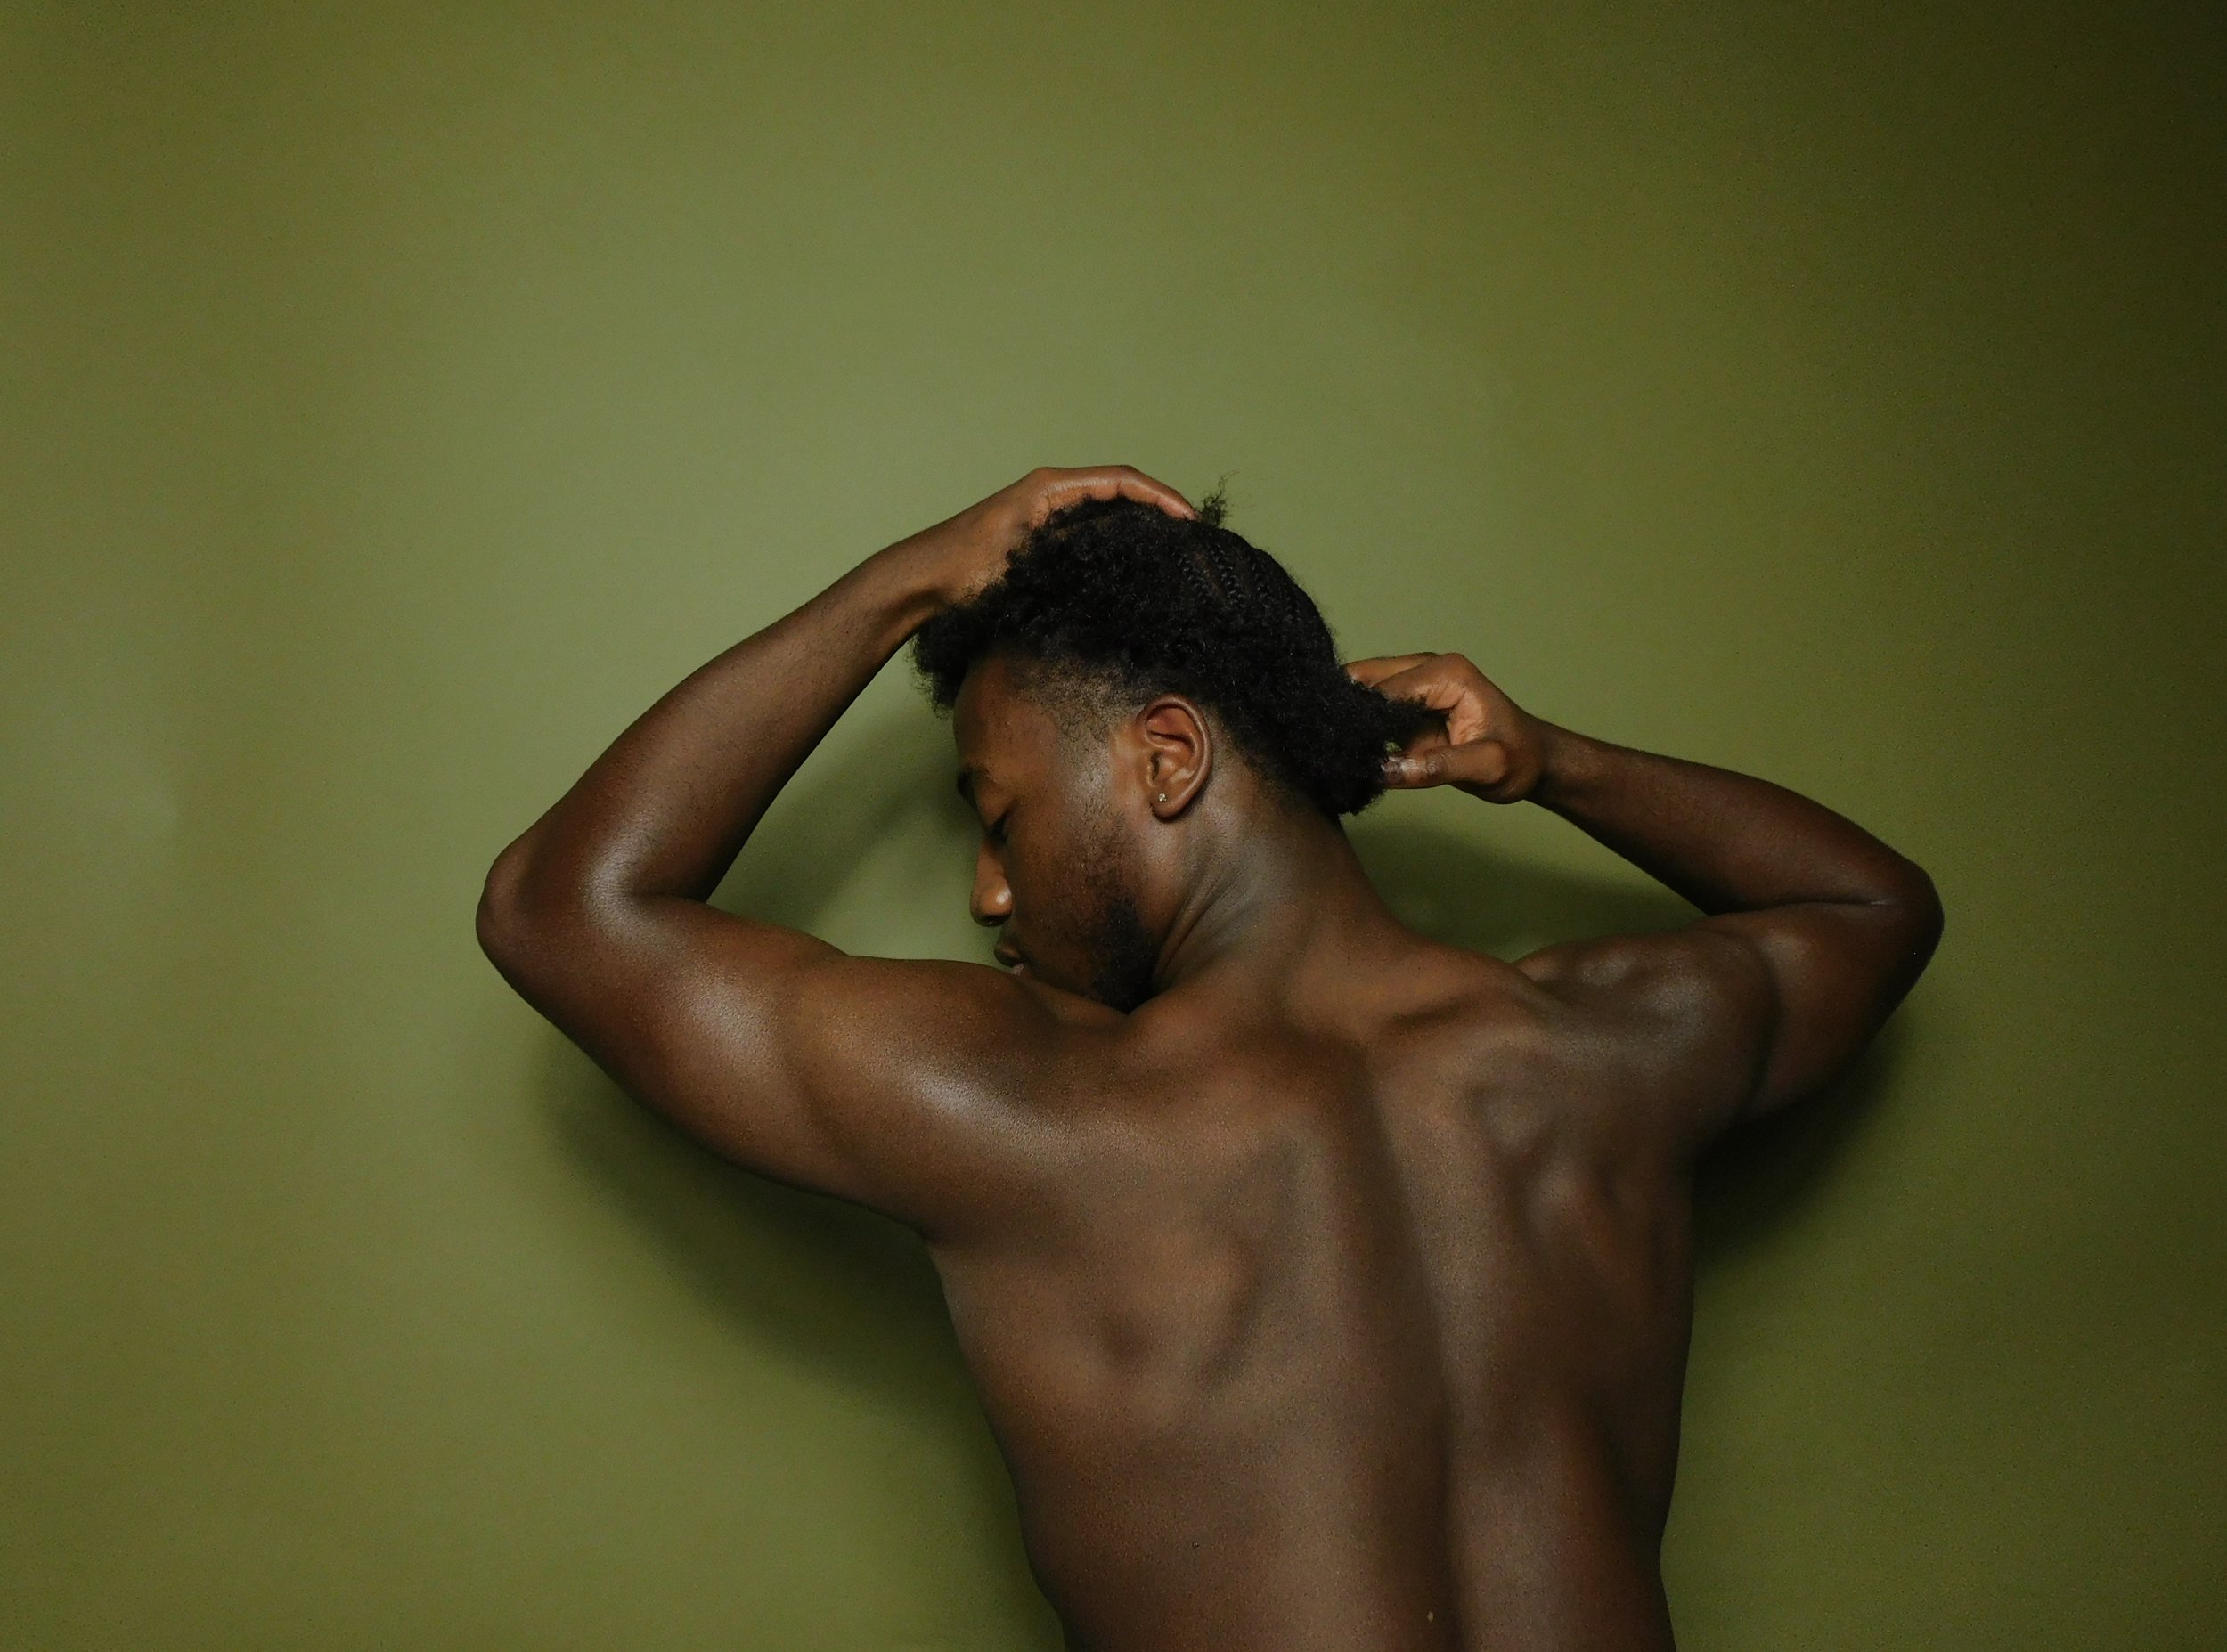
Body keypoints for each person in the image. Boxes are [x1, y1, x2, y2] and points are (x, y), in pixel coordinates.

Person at [476, 465, 1944, 1651]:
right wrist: (1558, 763)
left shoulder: (1043, 1109)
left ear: (1166, 759)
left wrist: (912, 579)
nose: (990, 891)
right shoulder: (1598, 1053)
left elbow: (561, 911)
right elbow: (1873, 909)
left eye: (1000, 816)